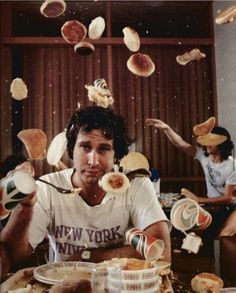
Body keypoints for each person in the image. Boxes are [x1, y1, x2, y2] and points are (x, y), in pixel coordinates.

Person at [5, 106, 171, 264]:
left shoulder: (135, 184)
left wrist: (90, 256)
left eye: (103, 149)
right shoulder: (48, 187)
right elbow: (16, 254)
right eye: (85, 147)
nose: (93, 161)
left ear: (116, 154)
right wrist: (25, 207)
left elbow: (161, 254)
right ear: (72, 149)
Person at [145, 118, 236, 237]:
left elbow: (228, 198)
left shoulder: (232, 165)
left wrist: (198, 200)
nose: (207, 144)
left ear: (222, 143)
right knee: (194, 235)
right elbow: (181, 144)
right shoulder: (204, 157)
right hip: (214, 207)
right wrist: (166, 128)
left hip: (232, 207)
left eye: (212, 140)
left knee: (224, 234)